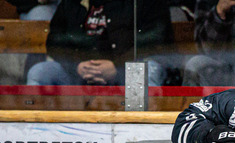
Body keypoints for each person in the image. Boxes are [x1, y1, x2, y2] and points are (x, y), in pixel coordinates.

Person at [26, 0, 174, 86]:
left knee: (143, 73)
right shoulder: (73, 1)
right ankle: (37, 129)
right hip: (78, 72)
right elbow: (55, 41)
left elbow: (157, 40)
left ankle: (141, 128)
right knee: (40, 72)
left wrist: (118, 67)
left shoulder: (146, 2)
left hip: (126, 70)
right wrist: (76, 65)